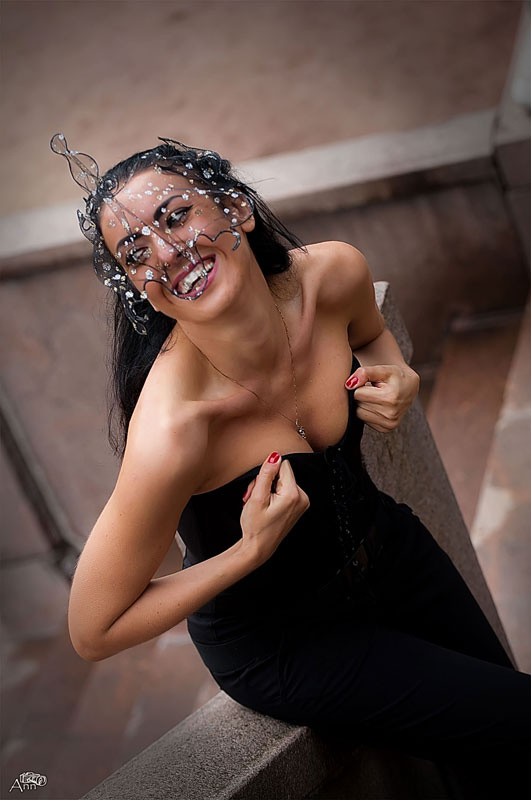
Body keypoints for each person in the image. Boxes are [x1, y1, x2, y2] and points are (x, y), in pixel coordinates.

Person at [52, 134, 530, 798]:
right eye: (135, 254)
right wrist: (246, 552)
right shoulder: (175, 428)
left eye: (175, 216)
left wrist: (396, 372)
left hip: (387, 550)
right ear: (143, 295)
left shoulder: (330, 276)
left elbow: (371, 334)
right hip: (284, 640)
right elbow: (94, 628)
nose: (166, 252)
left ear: (237, 210)